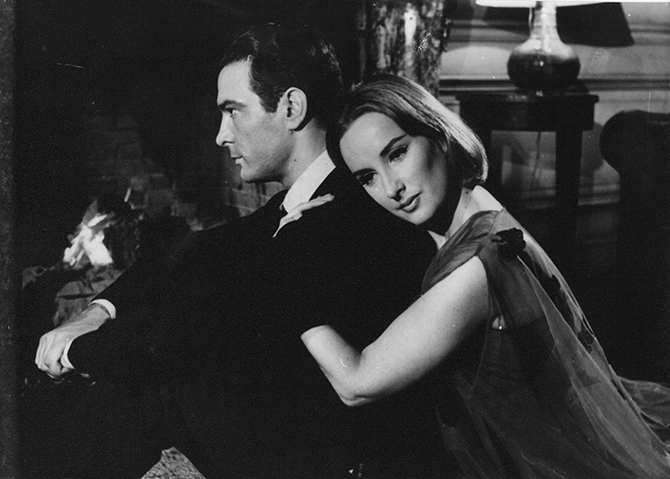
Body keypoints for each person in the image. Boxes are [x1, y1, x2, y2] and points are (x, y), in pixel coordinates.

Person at [25, 25, 450, 479]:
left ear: (291, 108)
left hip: (338, 452)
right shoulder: (303, 200)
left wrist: (78, 353)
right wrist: (98, 312)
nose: (221, 136)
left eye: (233, 111)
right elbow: (201, 249)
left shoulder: (342, 206)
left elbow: (193, 328)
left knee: (152, 384)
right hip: (304, 417)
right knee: (135, 387)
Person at [292, 74, 670, 478]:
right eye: (368, 177)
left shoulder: (478, 268)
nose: (391, 188)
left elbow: (355, 384)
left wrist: (284, 273)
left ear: (439, 136)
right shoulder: (477, 205)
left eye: (397, 154)